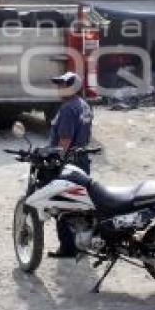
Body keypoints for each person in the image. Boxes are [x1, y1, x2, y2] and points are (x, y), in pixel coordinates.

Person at [46, 71, 94, 259]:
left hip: (68, 162)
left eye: (63, 84)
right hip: (82, 160)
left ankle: (68, 248)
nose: (59, 87)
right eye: (59, 84)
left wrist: (55, 160)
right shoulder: (84, 105)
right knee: (81, 204)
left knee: (62, 205)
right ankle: (82, 243)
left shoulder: (67, 109)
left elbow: (64, 140)